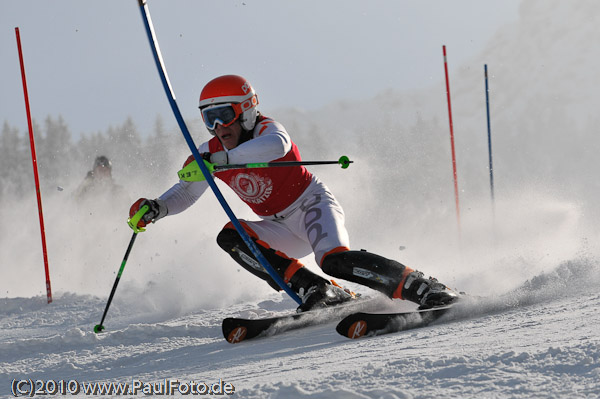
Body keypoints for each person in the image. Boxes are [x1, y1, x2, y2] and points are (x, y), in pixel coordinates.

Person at [129, 74, 458, 312]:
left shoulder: (265, 131)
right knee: (230, 236)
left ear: (246, 110)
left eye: (224, 116)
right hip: (277, 225)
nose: (218, 127)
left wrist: (218, 160)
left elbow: (276, 147)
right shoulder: (210, 151)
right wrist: (157, 207)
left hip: (312, 205)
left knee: (334, 259)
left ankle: (423, 287)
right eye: (208, 119)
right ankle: (316, 290)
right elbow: (186, 193)